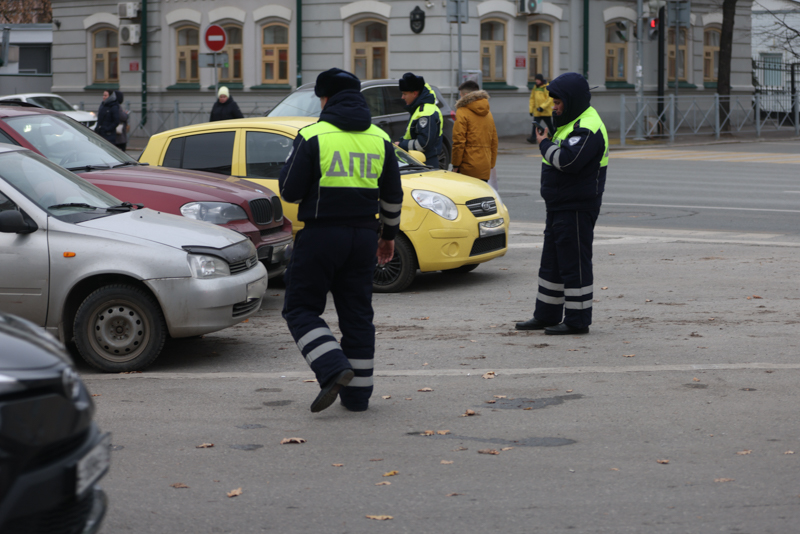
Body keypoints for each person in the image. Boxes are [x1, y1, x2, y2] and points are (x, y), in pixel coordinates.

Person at [279, 68, 403, 413]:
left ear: (325, 98)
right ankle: (358, 397)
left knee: (300, 308)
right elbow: (393, 197)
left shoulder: (313, 135)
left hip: (320, 235)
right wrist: (388, 237)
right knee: (357, 316)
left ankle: (332, 367)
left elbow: (289, 189)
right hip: (364, 237)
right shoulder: (379, 138)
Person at [515, 72, 609, 335]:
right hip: (559, 204)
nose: (554, 107)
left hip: (577, 207)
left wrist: (544, 143)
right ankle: (546, 315)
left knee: (574, 265)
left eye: (558, 102)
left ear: (572, 100)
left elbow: (567, 161)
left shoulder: (588, 127)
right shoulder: (572, 123)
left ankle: (577, 321)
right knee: (552, 264)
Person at [451, 80, 498, 184]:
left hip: (467, 166)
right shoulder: (488, 113)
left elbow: (459, 141)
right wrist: (491, 164)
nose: (460, 97)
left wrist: (455, 165)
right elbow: (494, 141)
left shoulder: (462, 111)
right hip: (485, 166)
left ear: (466, 95)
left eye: (461, 95)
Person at [395, 72, 443, 168]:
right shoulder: (420, 109)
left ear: (415, 93)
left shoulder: (425, 112)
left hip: (426, 163)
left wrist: (401, 144)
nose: (402, 97)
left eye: (404, 94)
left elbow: (423, 144)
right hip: (420, 160)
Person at [527, 74, 554, 143]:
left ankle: (554, 136)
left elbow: (549, 98)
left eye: (538, 80)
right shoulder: (535, 87)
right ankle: (533, 138)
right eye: (536, 80)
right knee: (535, 125)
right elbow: (532, 99)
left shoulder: (546, 87)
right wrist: (531, 110)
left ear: (541, 80)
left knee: (550, 125)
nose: (537, 81)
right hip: (537, 111)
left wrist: (542, 107)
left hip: (545, 111)